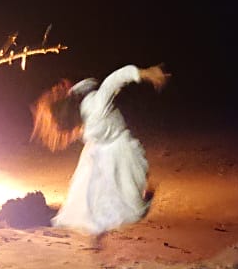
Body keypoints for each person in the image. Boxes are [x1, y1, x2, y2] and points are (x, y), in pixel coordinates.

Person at [31, 63, 170, 237]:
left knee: (124, 197)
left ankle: (129, 209)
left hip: (115, 149)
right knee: (91, 196)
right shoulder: (81, 109)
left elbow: (114, 80)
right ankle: (99, 225)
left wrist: (145, 73)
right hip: (101, 150)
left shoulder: (93, 106)